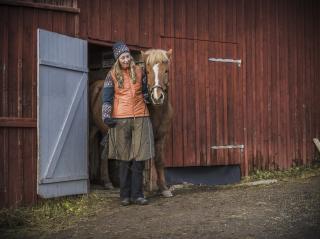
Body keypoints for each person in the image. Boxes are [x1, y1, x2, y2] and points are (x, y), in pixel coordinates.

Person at [102, 42, 154, 206]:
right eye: (122, 57)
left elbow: (145, 92)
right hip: (121, 118)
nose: (125, 59)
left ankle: (138, 195)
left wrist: (151, 98)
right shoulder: (111, 75)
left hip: (141, 117)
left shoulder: (139, 72)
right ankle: (125, 196)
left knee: (139, 158)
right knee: (124, 158)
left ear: (130, 57)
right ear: (118, 59)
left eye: (127, 56)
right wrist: (106, 115)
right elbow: (107, 98)